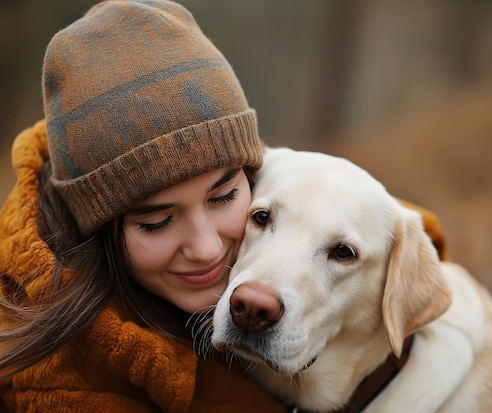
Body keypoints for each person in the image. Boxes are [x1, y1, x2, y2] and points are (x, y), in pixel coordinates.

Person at [0, 0, 448, 412]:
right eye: (157, 222)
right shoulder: (56, 383)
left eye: (226, 198)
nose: (209, 248)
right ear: (97, 231)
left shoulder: (273, 182)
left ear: (248, 175)